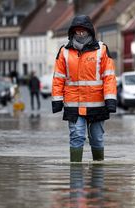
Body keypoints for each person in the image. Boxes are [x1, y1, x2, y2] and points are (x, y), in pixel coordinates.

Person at [51, 15, 117, 162]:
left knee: (97, 138)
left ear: (90, 32)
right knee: (77, 136)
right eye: (77, 32)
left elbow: (109, 77)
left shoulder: (102, 50)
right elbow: (58, 78)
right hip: (73, 105)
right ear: (72, 33)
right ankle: (76, 179)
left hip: (97, 104)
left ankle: (97, 177)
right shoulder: (64, 52)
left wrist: (110, 99)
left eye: (83, 32)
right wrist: (57, 100)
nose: (80, 35)